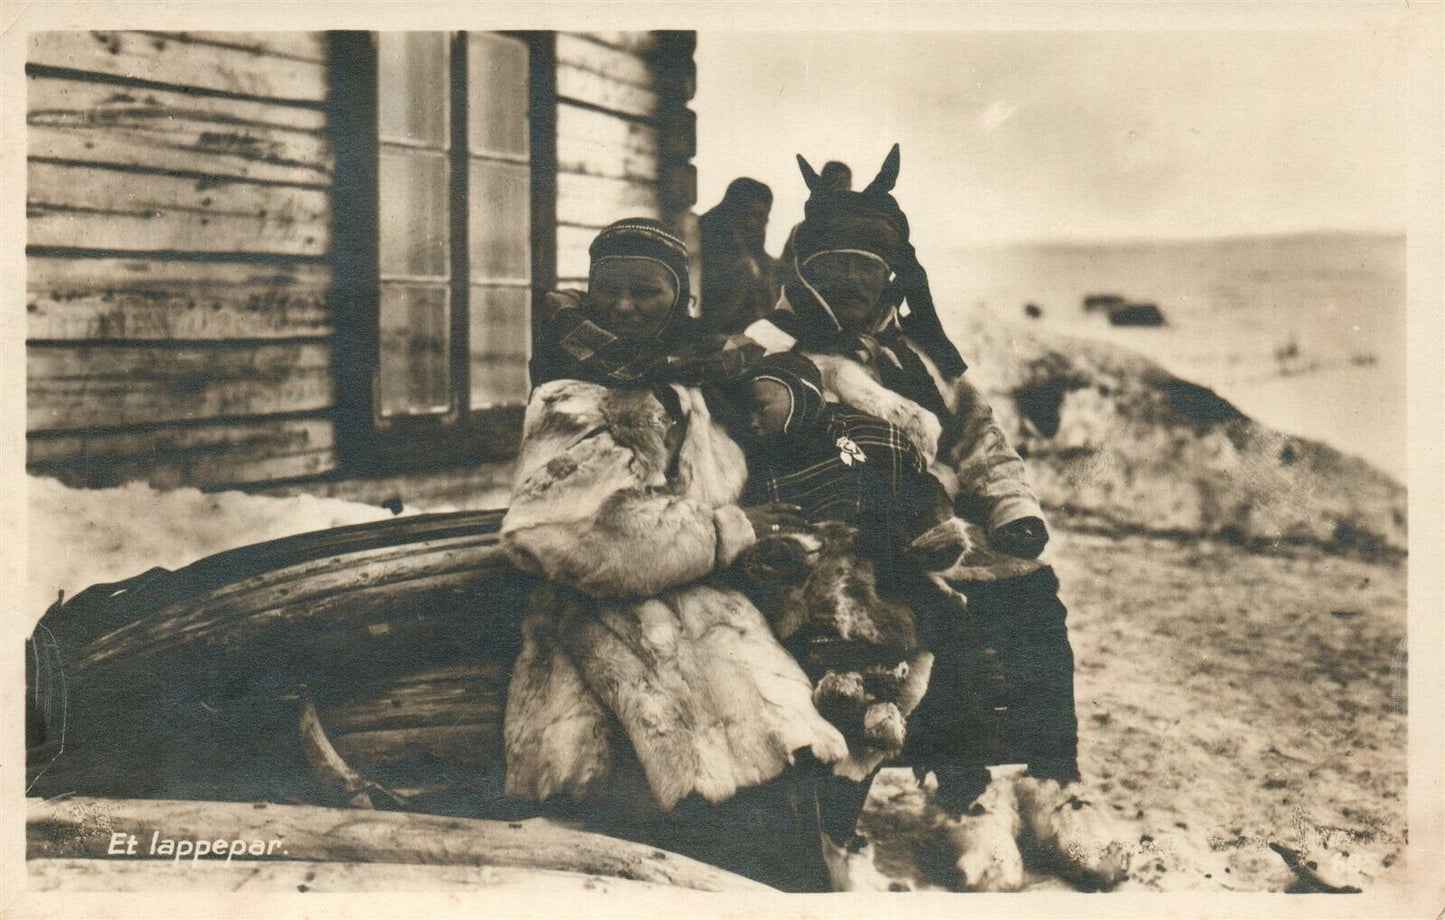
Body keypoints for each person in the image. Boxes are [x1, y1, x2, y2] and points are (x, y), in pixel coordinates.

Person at [743, 145, 1129, 891]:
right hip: (828, 538)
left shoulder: (917, 355)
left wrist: (1009, 508)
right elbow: (741, 445)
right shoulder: (774, 353)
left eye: (866, 266)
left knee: (1024, 590)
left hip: (930, 521)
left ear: (891, 275)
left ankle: (1052, 778)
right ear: (802, 269)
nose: (850, 281)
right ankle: (960, 789)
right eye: (832, 265)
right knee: (939, 604)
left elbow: (978, 436)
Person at [499, 217, 851, 891]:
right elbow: (570, 537)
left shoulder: (686, 387)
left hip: (703, 616)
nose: (625, 308)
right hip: (608, 630)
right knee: (671, 821)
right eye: (610, 292)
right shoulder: (572, 399)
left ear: (680, 301)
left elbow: (722, 490)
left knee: (777, 777)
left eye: (646, 293)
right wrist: (729, 531)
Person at [698, 178, 781, 335]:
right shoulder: (706, 242)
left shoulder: (756, 248)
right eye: (752, 214)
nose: (758, 222)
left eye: (763, 216)